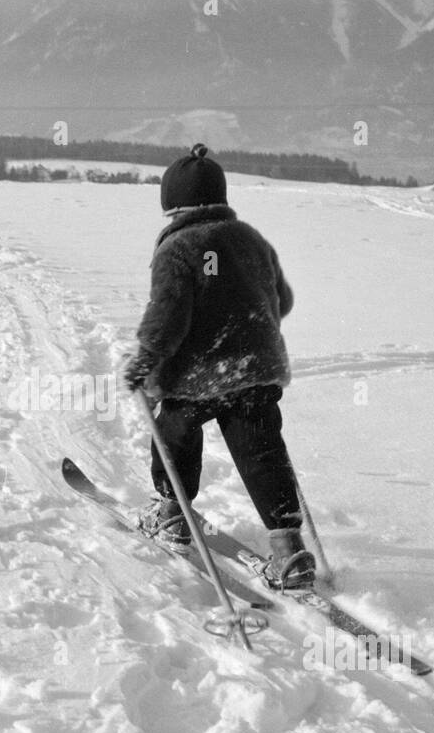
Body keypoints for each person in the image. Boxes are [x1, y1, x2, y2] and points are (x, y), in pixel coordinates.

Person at [122, 144, 315, 590]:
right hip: (255, 370)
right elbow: (280, 300)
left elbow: (167, 316)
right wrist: (243, 326)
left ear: (172, 203)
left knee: (174, 434)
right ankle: (290, 551)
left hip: (196, 377)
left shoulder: (178, 247)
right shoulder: (251, 238)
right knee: (262, 451)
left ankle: (173, 513)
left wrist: (146, 359)